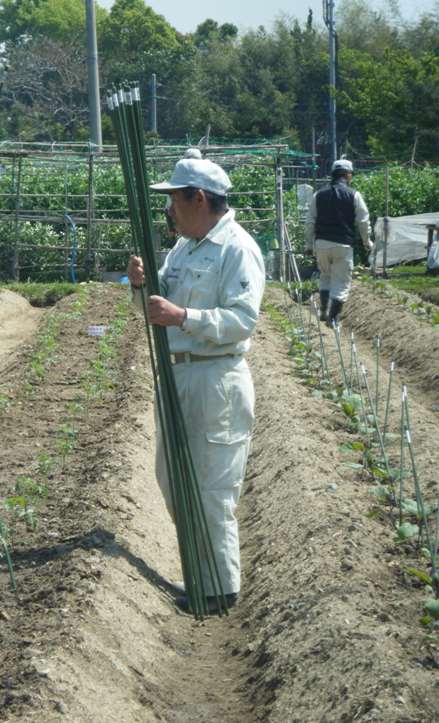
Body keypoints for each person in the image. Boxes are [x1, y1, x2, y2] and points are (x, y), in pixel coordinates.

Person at [126, 156, 265, 614]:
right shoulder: (184, 247)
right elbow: (155, 305)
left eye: (173, 200)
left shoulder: (236, 249)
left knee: (211, 489)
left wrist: (184, 316)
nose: (168, 211)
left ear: (199, 199)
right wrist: (141, 285)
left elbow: (242, 320)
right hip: (177, 374)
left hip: (214, 378)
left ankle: (219, 590)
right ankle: (201, 576)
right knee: (172, 477)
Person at [304, 158, 372, 326]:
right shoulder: (354, 195)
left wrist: (308, 245)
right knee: (341, 283)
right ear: (347, 174)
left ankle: (325, 312)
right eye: (351, 174)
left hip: (321, 244)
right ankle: (333, 320)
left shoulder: (318, 195)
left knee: (325, 277)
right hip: (343, 244)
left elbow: (310, 222)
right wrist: (367, 242)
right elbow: (363, 221)